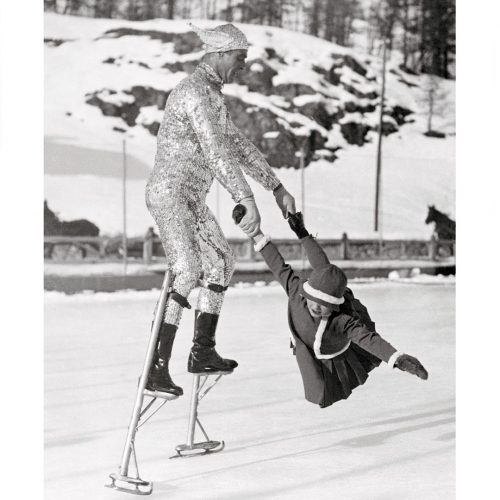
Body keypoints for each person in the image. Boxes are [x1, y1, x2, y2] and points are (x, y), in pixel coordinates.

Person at [144, 23, 296, 396]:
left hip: (192, 199)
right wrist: (245, 199)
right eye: (241, 58)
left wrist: (275, 186)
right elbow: (216, 151)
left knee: (222, 263)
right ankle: (155, 366)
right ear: (221, 53)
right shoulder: (193, 93)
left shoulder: (212, 97)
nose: (243, 66)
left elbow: (237, 146)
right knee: (187, 268)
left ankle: (202, 350)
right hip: (171, 194)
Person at [233, 206, 428, 408]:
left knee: (323, 390)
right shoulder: (296, 290)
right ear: (307, 292)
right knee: (324, 270)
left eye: (325, 304)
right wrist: (256, 233)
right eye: (314, 299)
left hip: (332, 346)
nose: (317, 307)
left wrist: (397, 358)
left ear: (334, 306)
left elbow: (368, 339)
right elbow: (278, 265)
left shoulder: (341, 321)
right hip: (304, 337)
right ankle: (302, 232)